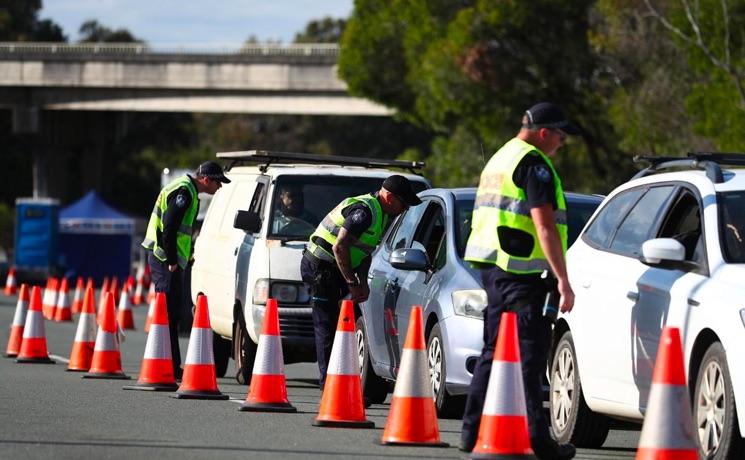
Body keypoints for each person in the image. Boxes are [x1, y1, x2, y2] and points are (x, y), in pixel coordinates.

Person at [460, 102, 579, 460]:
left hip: (494, 269)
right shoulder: (533, 163)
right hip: (522, 274)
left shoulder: (501, 157)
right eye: (560, 135)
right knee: (529, 355)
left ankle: (471, 431)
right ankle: (538, 440)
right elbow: (544, 225)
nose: (561, 142)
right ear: (544, 132)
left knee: (493, 349)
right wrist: (563, 280)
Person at [301, 174, 422, 391]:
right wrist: (352, 282)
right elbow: (340, 247)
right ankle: (329, 388)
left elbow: (364, 252)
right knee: (327, 327)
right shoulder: (364, 212)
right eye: (403, 204)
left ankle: (340, 386)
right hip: (321, 268)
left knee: (343, 326)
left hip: (336, 269)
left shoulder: (383, 215)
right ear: (390, 198)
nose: (404, 210)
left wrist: (362, 282)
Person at [141, 161, 230, 379]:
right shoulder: (184, 191)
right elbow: (169, 227)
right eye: (218, 182)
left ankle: (170, 365)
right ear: (206, 179)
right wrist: (172, 259)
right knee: (168, 313)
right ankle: (166, 366)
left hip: (168, 258)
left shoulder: (187, 189)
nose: (219, 187)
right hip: (163, 258)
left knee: (171, 313)